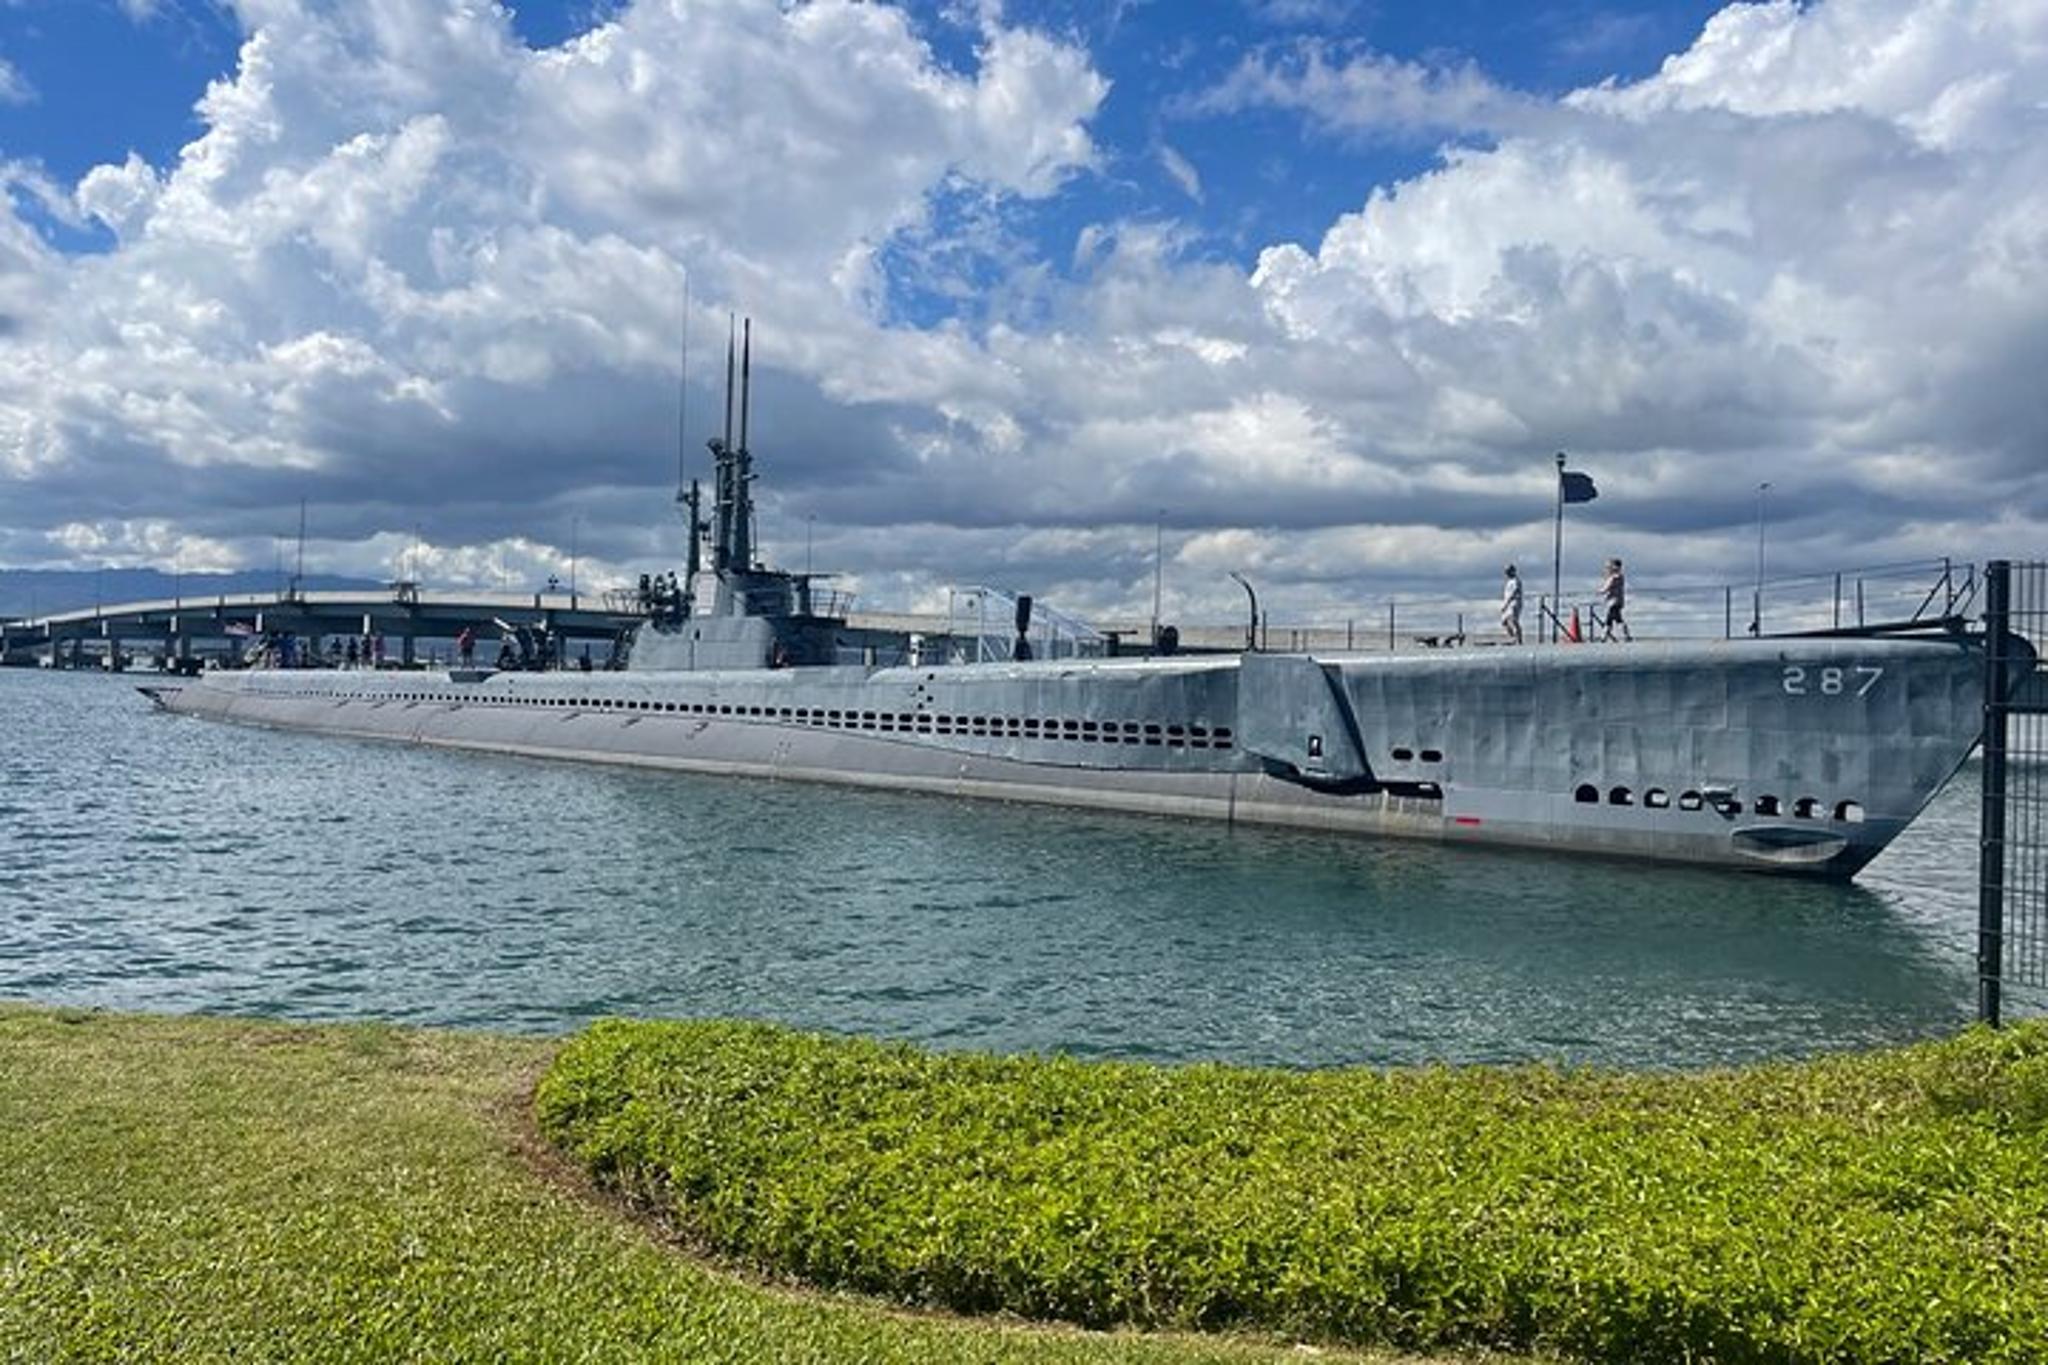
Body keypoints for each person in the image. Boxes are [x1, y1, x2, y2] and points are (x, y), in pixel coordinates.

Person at [1600, 557, 1632, 642]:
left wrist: (1601, 591)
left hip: (1613, 601)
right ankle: (1605, 636)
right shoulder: (1619, 577)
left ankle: (1604, 637)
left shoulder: (1615, 577)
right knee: (1615, 619)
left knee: (1612, 619)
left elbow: (1606, 587)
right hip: (1618, 601)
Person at [1500, 564, 1524, 645]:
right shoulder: (1509, 582)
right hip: (1507, 603)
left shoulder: (1516, 581)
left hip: (1514, 603)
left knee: (1514, 621)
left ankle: (1519, 640)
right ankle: (1513, 637)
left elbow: (1513, 593)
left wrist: (1506, 604)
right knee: (1504, 621)